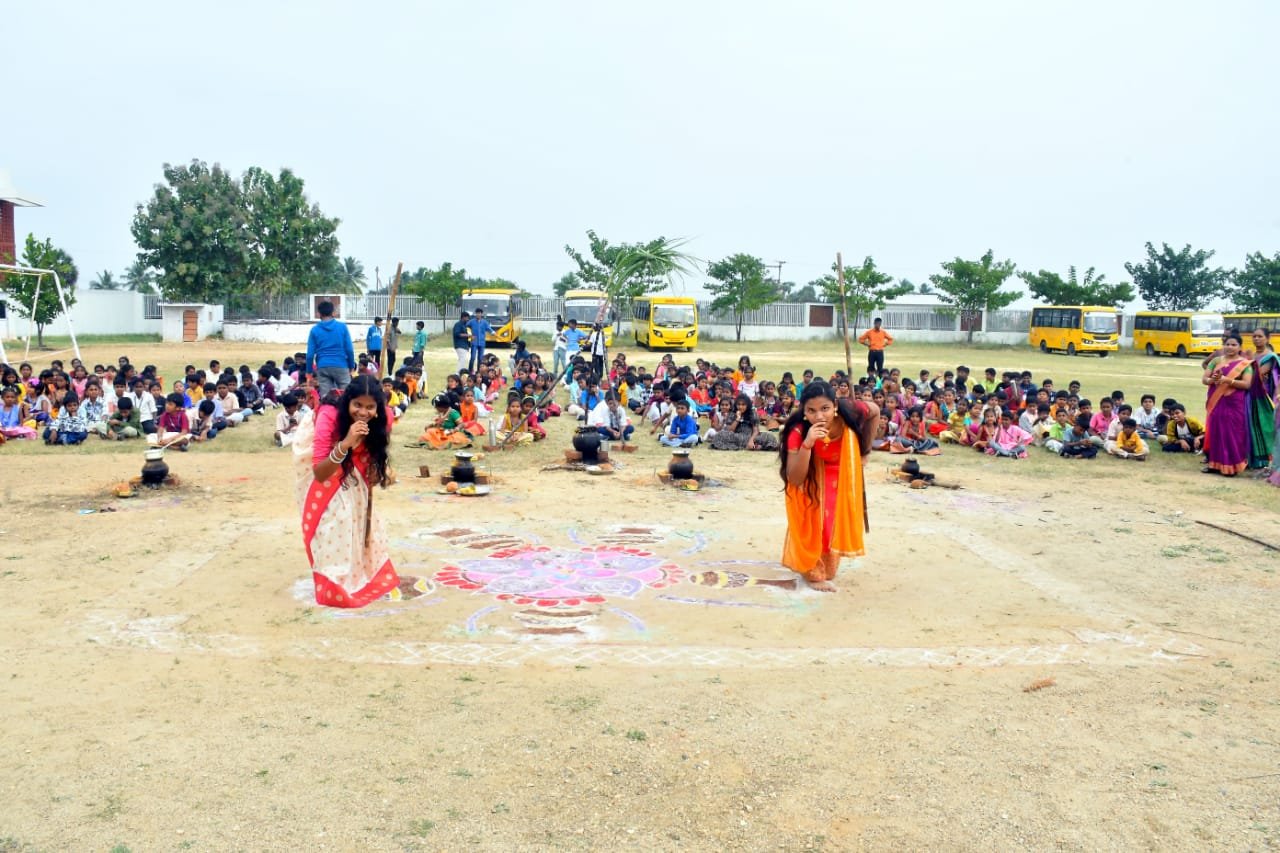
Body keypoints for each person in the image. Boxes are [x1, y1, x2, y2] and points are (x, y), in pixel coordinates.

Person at [293, 374, 398, 609]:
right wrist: (347, 442)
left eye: (370, 407)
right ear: (348, 402)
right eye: (357, 405)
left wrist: (374, 466)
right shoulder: (329, 415)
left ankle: (358, 572)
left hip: (354, 458)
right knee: (335, 517)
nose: (363, 412)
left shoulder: (384, 417)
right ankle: (333, 579)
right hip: (321, 458)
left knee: (356, 512)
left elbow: (375, 455)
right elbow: (320, 473)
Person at [777, 381, 877, 593]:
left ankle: (826, 565)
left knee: (832, 521)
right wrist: (808, 443)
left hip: (839, 472)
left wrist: (865, 452)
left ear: (835, 406)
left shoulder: (851, 411)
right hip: (809, 475)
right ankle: (811, 571)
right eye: (811, 411)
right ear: (804, 412)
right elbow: (795, 478)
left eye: (825, 409)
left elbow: (875, 411)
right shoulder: (798, 431)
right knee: (813, 520)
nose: (819, 416)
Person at [1201, 333, 1253, 476]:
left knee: (1232, 432)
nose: (1230, 347)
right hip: (1216, 400)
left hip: (1234, 403)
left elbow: (1247, 384)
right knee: (1215, 430)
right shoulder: (1216, 360)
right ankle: (1214, 465)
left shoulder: (1245, 364)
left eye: (1234, 345)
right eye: (1228, 344)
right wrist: (1212, 380)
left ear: (1240, 347)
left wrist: (1227, 380)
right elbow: (1204, 379)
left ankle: (1231, 467)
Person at [305, 300, 356, 397]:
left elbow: (310, 355)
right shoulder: (342, 327)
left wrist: (309, 372)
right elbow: (349, 350)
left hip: (323, 365)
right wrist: (351, 365)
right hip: (341, 364)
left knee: (326, 396)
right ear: (333, 313)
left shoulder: (314, 330)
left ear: (319, 314)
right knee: (346, 395)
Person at [1247, 327, 1277, 471]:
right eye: (1254, 336)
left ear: (1267, 338)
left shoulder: (1270, 357)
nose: (1256, 339)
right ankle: (1249, 459)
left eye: (1260, 336)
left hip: (1263, 397)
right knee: (1248, 425)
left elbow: (1258, 374)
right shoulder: (1250, 355)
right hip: (1247, 394)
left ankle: (1263, 461)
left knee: (1264, 427)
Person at [467, 309, 495, 375]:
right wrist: (469, 334)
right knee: (473, 357)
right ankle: (470, 371)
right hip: (474, 342)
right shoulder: (471, 322)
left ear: (481, 314)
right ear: (475, 314)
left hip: (482, 342)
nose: (478, 314)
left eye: (479, 313)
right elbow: (466, 327)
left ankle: (479, 371)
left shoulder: (484, 322)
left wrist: (492, 332)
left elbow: (489, 329)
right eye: (477, 313)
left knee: (480, 358)